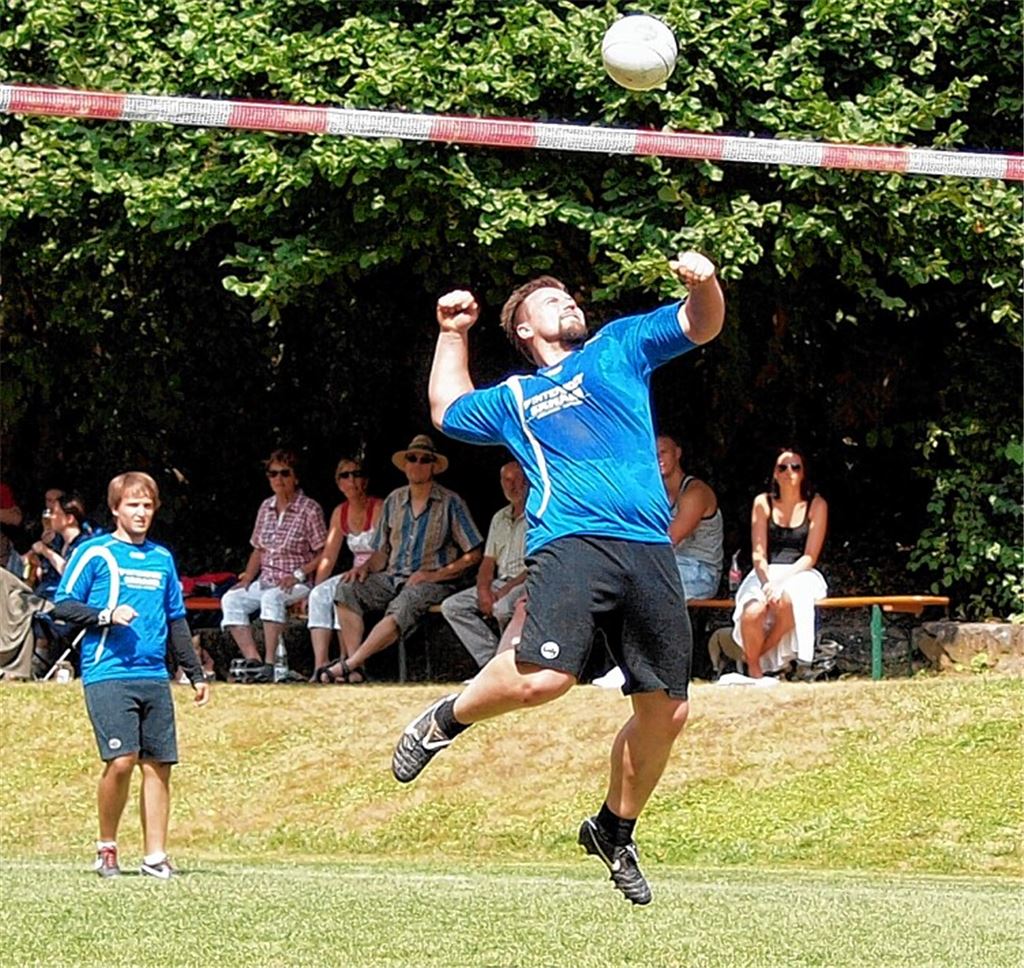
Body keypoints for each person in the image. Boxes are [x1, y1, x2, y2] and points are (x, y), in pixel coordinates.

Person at [391, 251, 725, 906]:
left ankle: (613, 829)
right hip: (571, 540)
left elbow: (700, 324)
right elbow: (446, 407)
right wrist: (452, 331)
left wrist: (706, 283)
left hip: (647, 547)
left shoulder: (617, 347)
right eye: (550, 300)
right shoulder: (517, 398)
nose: (567, 301)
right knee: (544, 679)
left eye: (569, 294)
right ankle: (444, 719)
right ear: (522, 330)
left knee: (668, 710)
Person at [50, 471, 210, 878]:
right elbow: (62, 605)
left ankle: (155, 857)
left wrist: (194, 673)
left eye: (147, 505)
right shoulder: (96, 552)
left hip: (154, 674)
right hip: (108, 672)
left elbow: (176, 619)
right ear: (116, 509)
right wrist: (106, 615)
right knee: (122, 760)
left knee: (158, 765)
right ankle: (107, 847)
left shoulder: (162, 558)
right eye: (133, 505)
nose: (141, 513)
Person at [315, 434, 483, 684]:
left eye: (424, 459)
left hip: (432, 582)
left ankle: (349, 664)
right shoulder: (394, 500)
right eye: (412, 458)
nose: (417, 464)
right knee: (347, 589)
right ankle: (355, 670)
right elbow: (380, 551)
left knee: (404, 604)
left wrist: (434, 575)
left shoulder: (450, 502)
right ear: (405, 465)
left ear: (434, 466)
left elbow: (474, 553)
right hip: (392, 575)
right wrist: (364, 568)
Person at [726, 447, 828, 686]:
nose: (788, 472)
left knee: (788, 603)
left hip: (800, 571)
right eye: (782, 467)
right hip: (765, 571)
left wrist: (781, 582)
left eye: (795, 467)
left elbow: (810, 556)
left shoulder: (816, 504)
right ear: (774, 473)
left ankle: (753, 658)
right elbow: (758, 552)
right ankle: (754, 670)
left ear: (803, 473)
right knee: (752, 612)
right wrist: (767, 581)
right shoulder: (762, 503)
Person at [220, 449, 327, 678]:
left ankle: (271, 663)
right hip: (266, 578)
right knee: (231, 599)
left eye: (284, 473)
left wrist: (299, 574)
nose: (278, 479)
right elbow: (258, 548)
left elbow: (323, 552)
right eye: (273, 474)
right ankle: (253, 659)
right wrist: (247, 577)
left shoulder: (310, 509)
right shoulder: (265, 507)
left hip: (297, 581)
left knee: (271, 598)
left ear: (295, 477)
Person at [440, 460, 528, 669]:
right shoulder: (499, 517)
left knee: (502, 608)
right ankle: (491, 663)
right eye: (507, 480)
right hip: (500, 582)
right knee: (452, 606)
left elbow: (538, 565)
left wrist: (506, 589)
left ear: (528, 482)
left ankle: (514, 663)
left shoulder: (538, 517)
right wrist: (483, 590)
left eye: (518, 480)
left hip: (527, 582)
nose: (512, 485)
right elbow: (488, 562)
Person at [306, 456, 383, 678]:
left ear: (365, 481)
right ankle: (320, 665)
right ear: (339, 484)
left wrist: (366, 567)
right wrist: (316, 587)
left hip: (377, 569)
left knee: (344, 592)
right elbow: (329, 557)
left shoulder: (377, 507)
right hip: (354, 572)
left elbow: (383, 549)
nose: (352, 480)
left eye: (357, 474)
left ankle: (350, 663)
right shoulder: (340, 512)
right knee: (319, 594)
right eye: (345, 475)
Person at [657, 433, 723, 600]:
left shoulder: (694, 492)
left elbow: (669, 540)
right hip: (669, 566)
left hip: (701, 572)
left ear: (677, 453)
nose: (658, 458)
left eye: (663, 452)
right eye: (653, 454)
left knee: (646, 586)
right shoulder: (656, 495)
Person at [31, 492, 90, 600]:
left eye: (54, 512)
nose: (50, 516)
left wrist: (46, 552)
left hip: (64, 602)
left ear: (69, 519)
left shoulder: (84, 544)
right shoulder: (58, 542)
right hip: (43, 596)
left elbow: (70, 572)